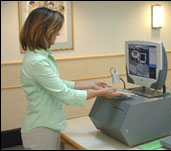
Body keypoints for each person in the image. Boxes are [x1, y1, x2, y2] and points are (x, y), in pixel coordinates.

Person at [19, 7, 120, 150]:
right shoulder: (37, 61)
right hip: (41, 130)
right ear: (44, 30)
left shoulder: (39, 54)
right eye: (56, 29)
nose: (58, 33)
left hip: (46, 125)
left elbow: (58, 83)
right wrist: (102, 93)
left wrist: (91, 85)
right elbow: (66, 96)